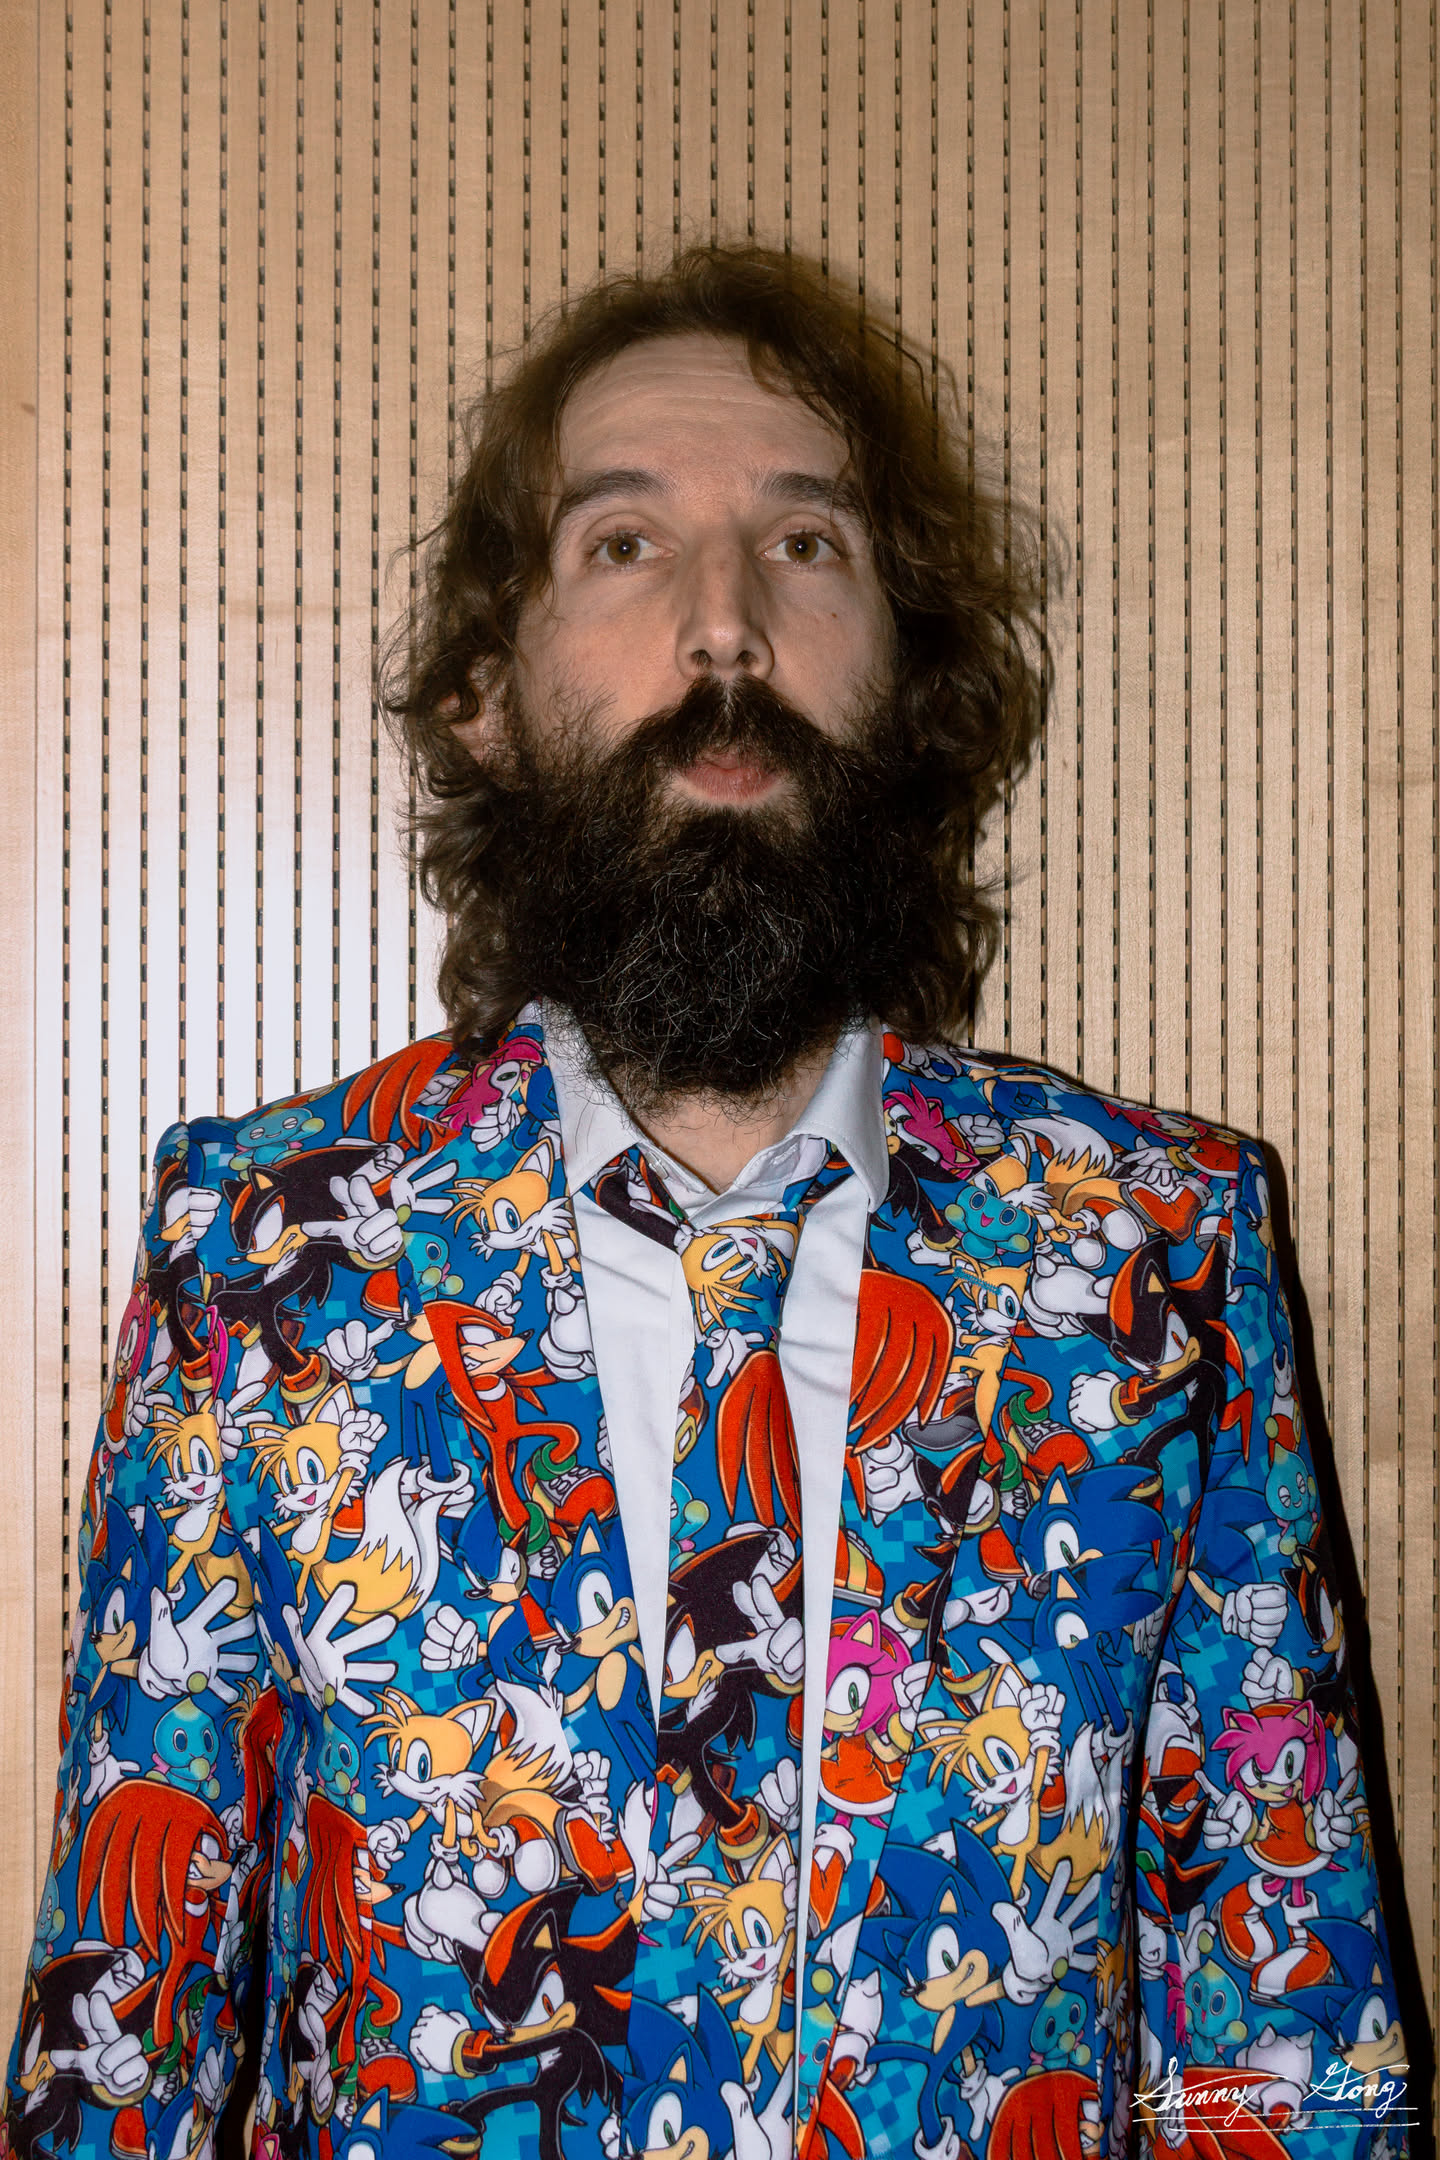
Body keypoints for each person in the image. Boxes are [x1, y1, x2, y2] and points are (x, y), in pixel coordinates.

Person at [3, 246, 1410, 2160]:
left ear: (912, 682)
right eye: (625, 544)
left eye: (806, 544)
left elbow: (1292, 2051)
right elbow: (120, 2058)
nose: (727, 624)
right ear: (486, 694)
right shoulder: (263, 1259)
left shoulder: (1162, 1252)